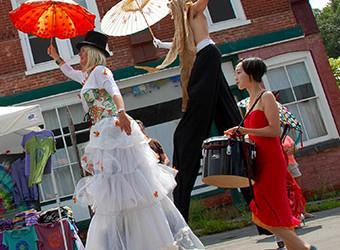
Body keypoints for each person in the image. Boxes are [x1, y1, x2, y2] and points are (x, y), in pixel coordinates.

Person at [47, 30, 205, 250]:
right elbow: (70, 72)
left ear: (92, 53)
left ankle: (152, 238)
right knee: (113, 184)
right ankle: (129, 238)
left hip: (113, 127)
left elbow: (114, 91)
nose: (80, 58)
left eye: (82, 53)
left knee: (128, 179)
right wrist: (56, 57)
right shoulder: (87, 76)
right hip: (101, 131)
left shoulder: (101, 71)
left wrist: (121, 112)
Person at [154, 0, 242, 222]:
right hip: (205, 56)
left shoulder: (192, 10)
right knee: (229, 121)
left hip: (207, 55)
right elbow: (180, 44)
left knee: (187, 133)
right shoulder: (184, 22)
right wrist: (161, 45)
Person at [225, 57, 317, 250]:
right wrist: (239, 132)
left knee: (266, 212)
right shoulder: (249, 102)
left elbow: (274, 131)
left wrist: (246, 131)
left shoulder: (266, 97)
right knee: (274, 211)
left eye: (239, 72)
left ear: (252, 73)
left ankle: (305, 248)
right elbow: (254, 134)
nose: (236, 77)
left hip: (272, 160)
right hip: (259, 159)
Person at [282, 135, 315, 220]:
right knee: (288, 191)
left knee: (298, 189)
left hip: (292, 164)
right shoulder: (274, 137)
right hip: (283, 166)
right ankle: (294, 213)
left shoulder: (286, 137)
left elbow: (295, 148)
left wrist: (290, 150)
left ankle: (303, 211)